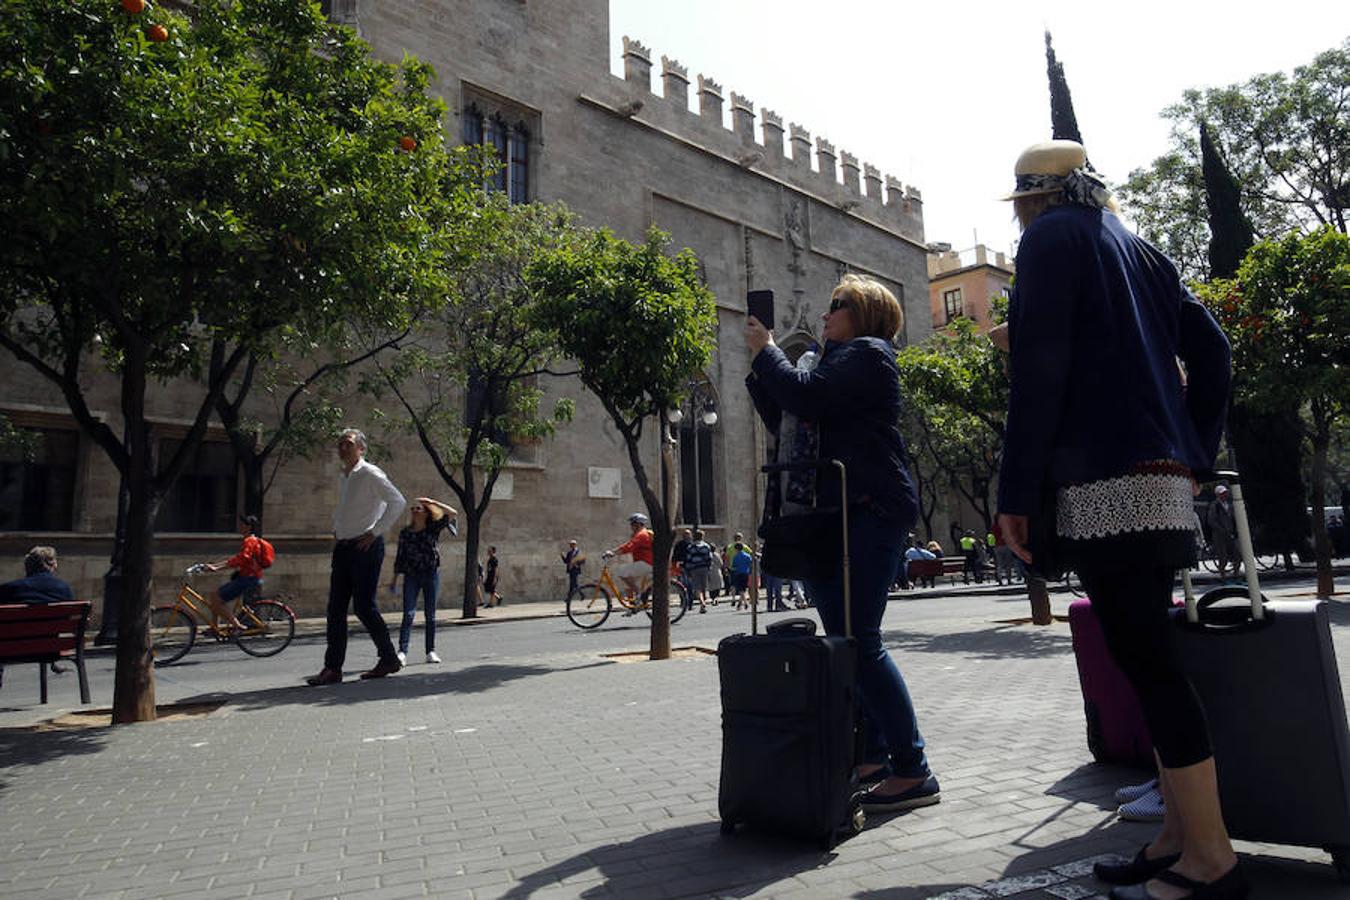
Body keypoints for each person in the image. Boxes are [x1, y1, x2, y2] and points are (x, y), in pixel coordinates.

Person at [994, 140, 1242, 899]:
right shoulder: (1141, 249)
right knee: (1146, 655)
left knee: (1148, 662)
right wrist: (1192, 448)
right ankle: (1176, 837)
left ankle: (1211, 858)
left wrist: (1015, 488)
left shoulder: (1048, 240)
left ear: (1035, 200)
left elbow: (1041, 372)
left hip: (1104, 479)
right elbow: (1216, 352)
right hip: (1161, 476)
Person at [746, 272, 939, 813]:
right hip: (833, 516)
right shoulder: (830, 364)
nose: (826, 314)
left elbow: (808, 397)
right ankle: (875, 755)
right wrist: (762, 365)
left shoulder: (870, 354)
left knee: (861, 639)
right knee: (846, 639)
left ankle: (913, 768)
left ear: (865, 315)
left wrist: (768, 353)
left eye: (838, 305)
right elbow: (790, 412)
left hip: (870, 509)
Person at [306, 428, 407, 686]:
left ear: (361, 448)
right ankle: (333, 669)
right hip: (344, 547)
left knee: (363, 606)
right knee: (335, 609)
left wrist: (375, 532)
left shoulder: (370, 473)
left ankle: (388, 658)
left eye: (348, 444)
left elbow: (397, 502)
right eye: (340, 443)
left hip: (365, 548)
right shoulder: (345, 477)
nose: (343, 448)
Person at [388, 497, 457, 665]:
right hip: (411, 576)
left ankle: (430, 651)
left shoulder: (433, 529)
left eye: (418, 509)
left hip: (431, 574)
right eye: (412, 509)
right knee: (408, 614)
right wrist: (394, 579)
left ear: (426, 513)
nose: (414, 511)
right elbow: (400, 557)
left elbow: (453, 513)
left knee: (430, 616)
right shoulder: (405, 533)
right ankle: (402, 652)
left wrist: (432, 502)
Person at [0, 546, 76, 690]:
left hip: (10, 649)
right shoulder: (64, 589)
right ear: (53, 565)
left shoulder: (10, 589)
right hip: (50, 649)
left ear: (28, 567)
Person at [202, 514, 268, 632]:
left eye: (242, 525)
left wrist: (217, 568)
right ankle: (214, 627)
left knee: (217, 598)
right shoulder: (251, 541)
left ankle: (237, 625)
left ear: (248, 527)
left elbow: (242, 559)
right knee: (214, 595)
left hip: (247, 578)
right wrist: (215, 566)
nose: (239, 527)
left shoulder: (249, 541)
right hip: (248, 577)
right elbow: (237, 559)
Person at [603, 513, 654, 604]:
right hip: (643, 562)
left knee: (622, 572)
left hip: (647, 563)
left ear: (638, 524)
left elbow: (629, 547)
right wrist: (613, 551)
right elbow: (627, 545)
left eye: (632, 523)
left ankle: (640, 594)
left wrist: (613, 553)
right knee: (629, 585)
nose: (631, 526)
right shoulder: (638, 534)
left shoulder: (642, 535)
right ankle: (634, 605)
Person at [1205, 486, 1241, 581]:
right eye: (1222, 493)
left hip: (1230, 533)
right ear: (1218, 495)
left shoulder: (1229, 504)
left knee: (1236, 553)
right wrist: (1221, 529)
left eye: (1225, 492)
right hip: (1219, 535)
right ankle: (1223, 575)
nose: (1225, 494)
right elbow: (1211, 520)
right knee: (1222, 555)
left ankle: (1236, 573)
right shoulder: (1214, 505)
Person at [683, 529, 714, 613]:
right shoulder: (706, 546)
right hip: (704, 568)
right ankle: (704, 603)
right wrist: (709, 567)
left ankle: (702, 602)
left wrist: (688, 569)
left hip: (694, 568)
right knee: (704, 586)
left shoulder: (690, 547)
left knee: (697, 587)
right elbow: (709, 558)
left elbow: (688, 559)